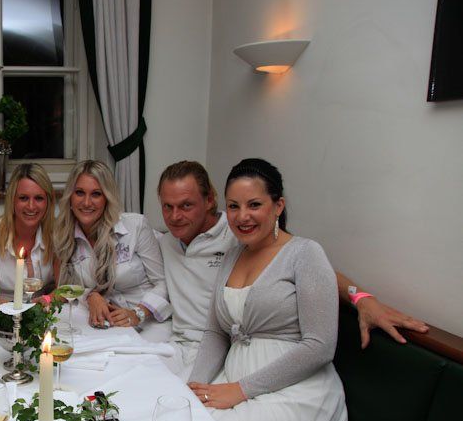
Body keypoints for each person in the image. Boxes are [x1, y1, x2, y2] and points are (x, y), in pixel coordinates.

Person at [187, 159, 347, 421]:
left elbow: (321, 345)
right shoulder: (233, 254)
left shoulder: (305, 253)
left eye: (254, 204)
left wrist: (241, 390)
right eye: (233, 206)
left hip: (295, 392)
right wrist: (194, 386)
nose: (242, 216)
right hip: (233, 380)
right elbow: (215, 332)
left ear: (278, 205)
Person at [156, 160, 428, 377]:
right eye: (168, 207)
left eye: (186, 205)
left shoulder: (239, 233)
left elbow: (300, 265)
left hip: (234, 352)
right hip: (187, 344)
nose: (175, 216)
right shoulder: (167, 242)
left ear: (210, 200)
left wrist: (362, 298)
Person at [54, 160, 170, 328]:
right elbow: (69, 288)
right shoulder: (64, 237)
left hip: (148, 322)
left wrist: (138, 313)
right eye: (79, 193)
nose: (86, 203)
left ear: (107, 198)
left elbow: (163, 283)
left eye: (96, 194)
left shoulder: (136, 226)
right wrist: (91, 296)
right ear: (70, 197)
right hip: (107, 325)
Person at [0, 163, 56, 302]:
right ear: (12, 200)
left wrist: (44, 302)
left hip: (41, 310)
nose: (31, 206)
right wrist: (16, 310)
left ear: (48, 202)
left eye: (39, 198)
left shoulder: (56, 234)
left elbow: (63, 288)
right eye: (23, 198)